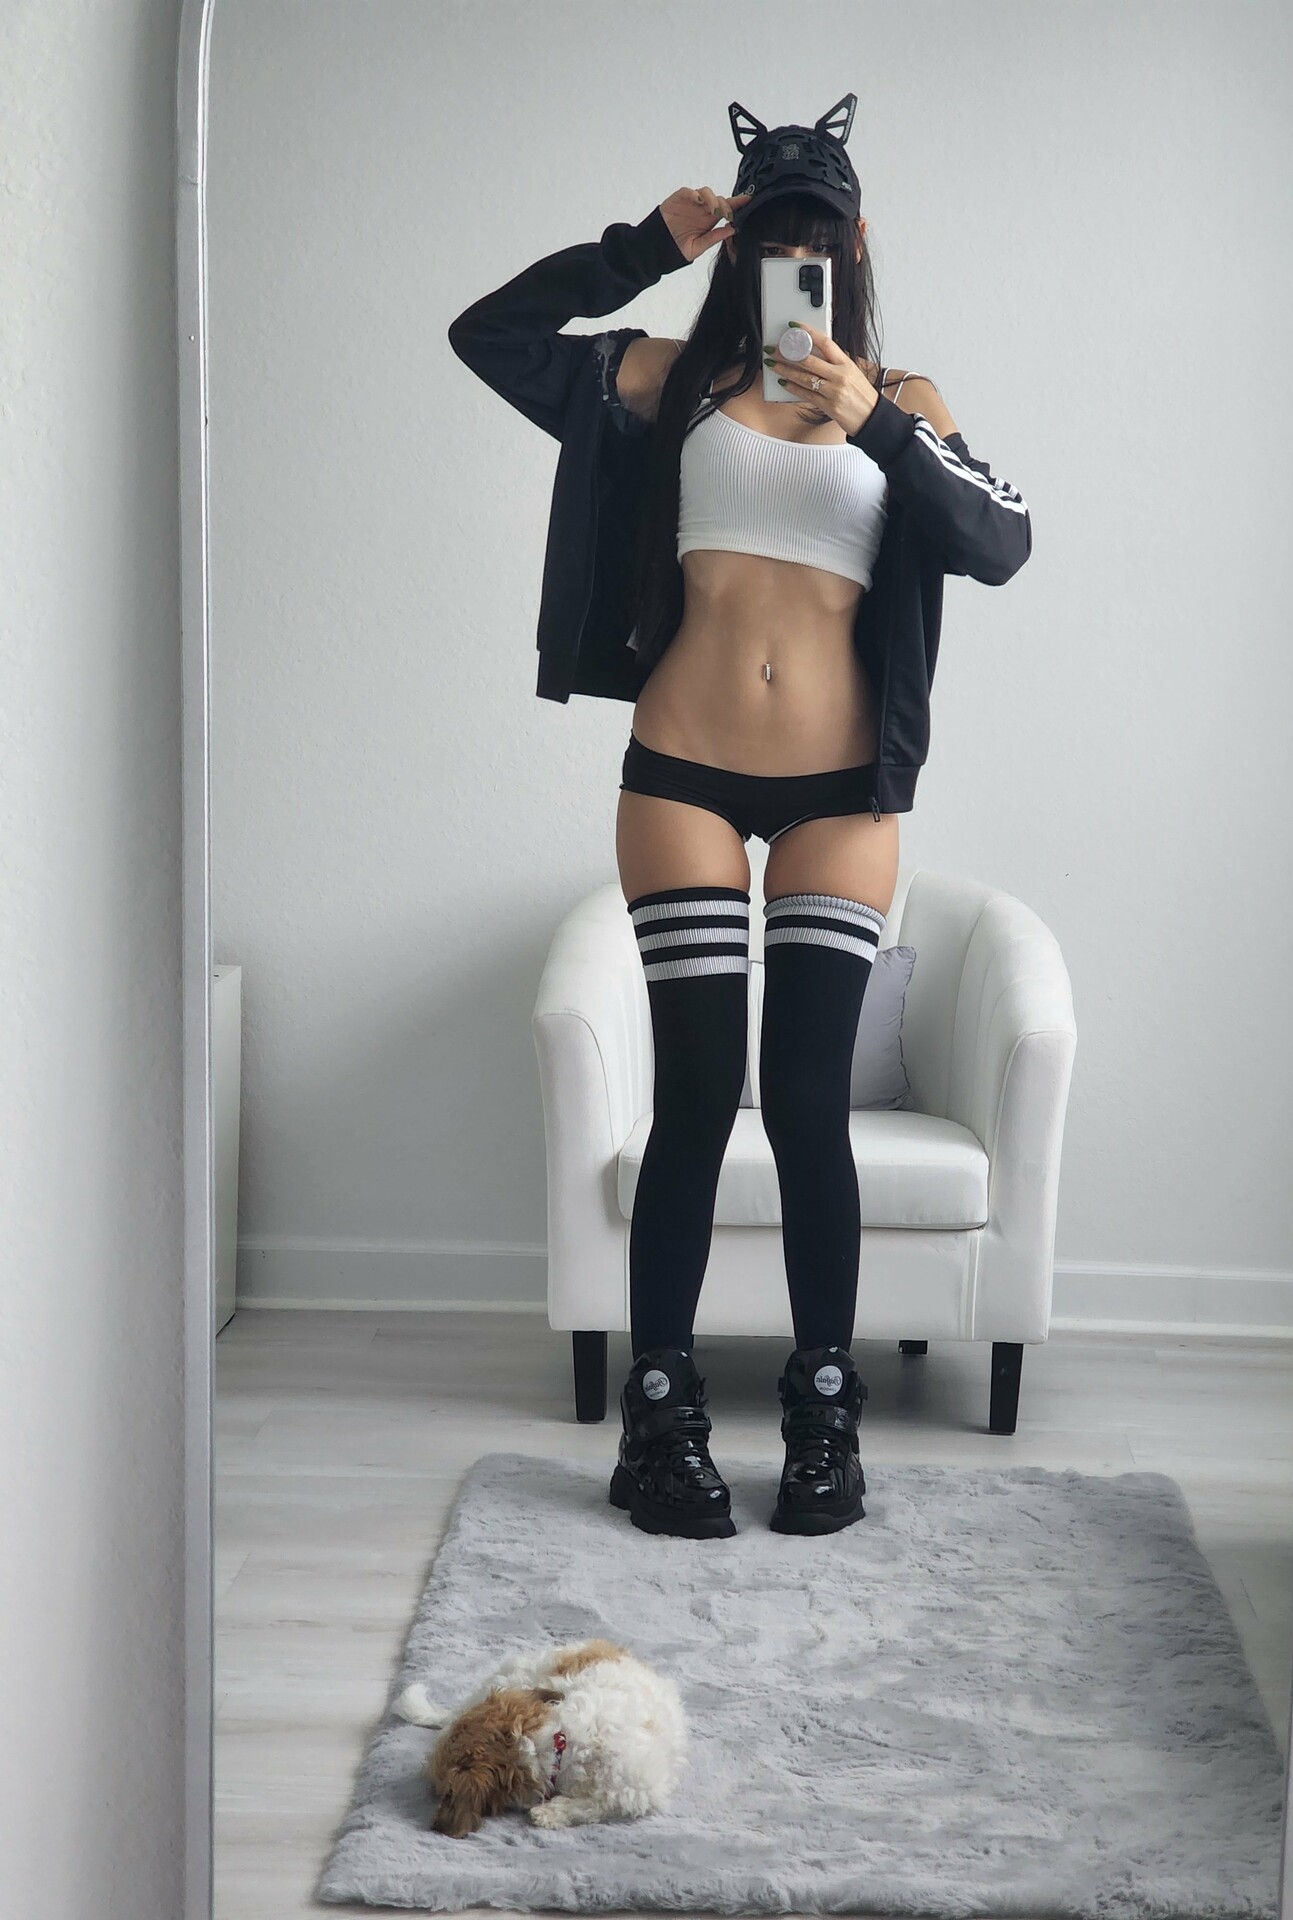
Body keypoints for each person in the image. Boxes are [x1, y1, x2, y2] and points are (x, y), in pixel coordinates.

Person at [447, 94, 1031, 1543]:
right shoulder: (665, 380)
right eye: (770, 237)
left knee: (810, 1103)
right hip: (684, 774)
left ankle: (825, 1410)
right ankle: (660, 1418)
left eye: (813, 238)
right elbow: (489, 336)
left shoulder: (904, 400)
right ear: (740, 243)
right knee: (701, 1097)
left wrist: (872, 422)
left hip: (841, 792)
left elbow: (1002, 541)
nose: (792, 260)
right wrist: (640, 247)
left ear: (855, 244)